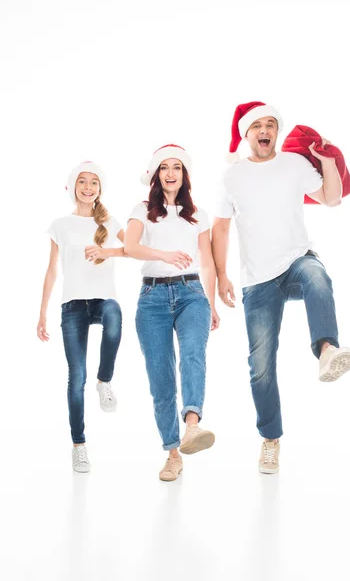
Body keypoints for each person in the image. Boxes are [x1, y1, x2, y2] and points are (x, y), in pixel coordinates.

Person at [212, 101, 350, 475]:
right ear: (247, 134)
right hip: (257, 279)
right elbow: (222, 229)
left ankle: (326, 349)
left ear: (276, 132)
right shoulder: (232, 178)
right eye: (257, 125)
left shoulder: (295, 166)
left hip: (295, 261)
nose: (265, 131)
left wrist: (324, 159)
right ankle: (270, 440)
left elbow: (332, 197)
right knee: (260, 367)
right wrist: (223, 277)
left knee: (318, 275)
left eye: (271, 125)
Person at [124, 144, 219, 482]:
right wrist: (163, 255)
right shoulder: (142, 210)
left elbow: (206, 261)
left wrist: (212, 303)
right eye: (164, 168)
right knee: (161, 378)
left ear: (184, 174)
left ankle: (192, 425)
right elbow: (130, 247)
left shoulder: (199, 215)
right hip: (151, 299)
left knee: (193, 356)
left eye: (176, 167)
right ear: (155, 174)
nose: (170, 173)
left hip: (192, 293)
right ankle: (173, 454)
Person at [37, 162, 124, 473]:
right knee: (76, 379)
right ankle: (79, 446)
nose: (88, 187)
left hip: (103, 297)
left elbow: (133, 248)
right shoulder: (60, 224)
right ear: (73, 187)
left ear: (100, 189)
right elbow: (51, 270)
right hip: (72, 304)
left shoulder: (110, 222)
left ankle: (105, 381)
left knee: (114, 317)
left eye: (94, 183)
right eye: (83, 182)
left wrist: (108, 252)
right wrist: (42, 312)